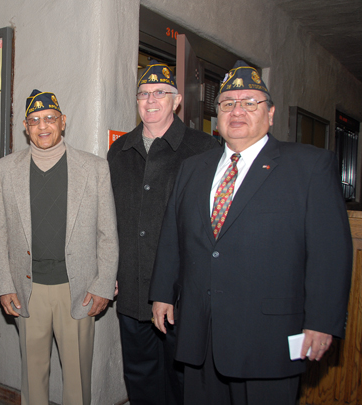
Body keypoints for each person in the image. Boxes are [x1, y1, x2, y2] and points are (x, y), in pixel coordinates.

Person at [150, 60, 352, 405]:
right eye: (228, 103)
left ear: (270, 114)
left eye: (250, 102)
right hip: (202, 332)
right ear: (218, 117)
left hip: (266, 338)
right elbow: (173, 235)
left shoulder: (309, 166)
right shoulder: (193, 168)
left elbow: (330, 252)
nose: (237, 110)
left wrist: (322, 321)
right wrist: (162, 293)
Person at [0, 89, 119, 404]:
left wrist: (103, 285)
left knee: (77, 380)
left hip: (77, 289)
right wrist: (4, 286)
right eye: (34, 120)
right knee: (33, 380)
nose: (42, 126)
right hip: (27, 290)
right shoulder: (5, 170)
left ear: (63, 122)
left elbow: (108, 233)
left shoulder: (94, 168)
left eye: (49, 118)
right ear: (25, 126)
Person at [108, 63, 219, 404]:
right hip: (131, 288)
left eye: (160, 93)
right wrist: (109, 269)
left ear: (177, 101)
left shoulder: (204, 150)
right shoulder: (119, 151)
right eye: (144, 93)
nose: (151, 99)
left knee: (183, 383)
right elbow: (108, 220)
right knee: (140, 379)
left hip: (182, 294)